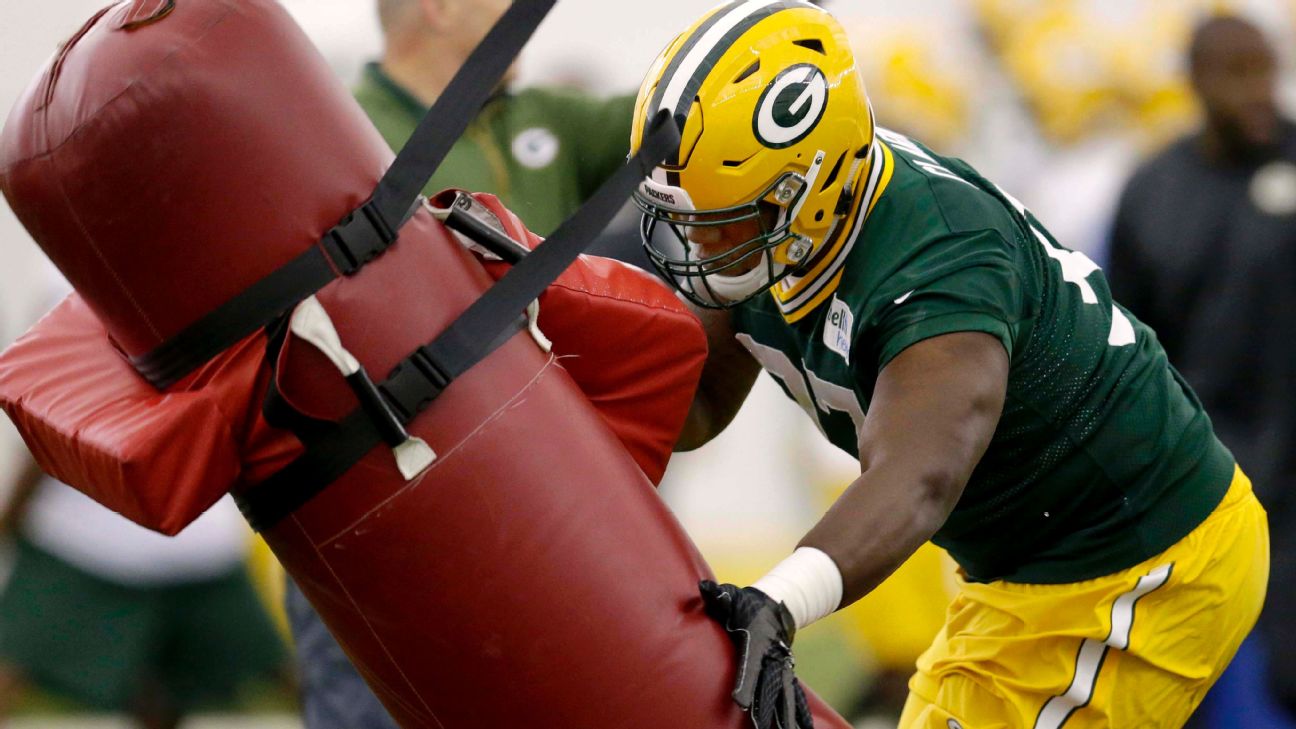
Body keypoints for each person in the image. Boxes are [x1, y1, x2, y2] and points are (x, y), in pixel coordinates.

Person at [627, 3, 1268, 728]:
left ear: (806, 188)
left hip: (1142, 560)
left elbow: (919, 473)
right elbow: (696, 405)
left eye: (726, 218)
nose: (700, 246)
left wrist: (781, 596)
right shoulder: (778, 229)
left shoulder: (939, 257)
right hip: (1020, 573)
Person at [284, 2, 639, 727]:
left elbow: (697, 105)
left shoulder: (551, 118)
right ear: (438, 7)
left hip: (537, 518)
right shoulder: (329, 131)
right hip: (382, 524)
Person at [1108, 15, 1296, 726]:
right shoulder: (1152, 191)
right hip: (1201, 490)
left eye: (1267, 70)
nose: (1259, 92)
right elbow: (1125, 352)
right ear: (1194, 80)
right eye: (1237, 73)